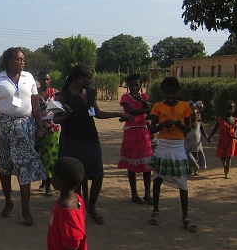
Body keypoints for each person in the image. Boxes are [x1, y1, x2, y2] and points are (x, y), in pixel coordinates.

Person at [55, 64, 129, 225]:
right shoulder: (64, 96)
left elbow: (98, 113)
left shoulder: (89, 93)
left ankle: (91, 208)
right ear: (79, 79)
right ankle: (78, 210)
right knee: (75, 178)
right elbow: (56, 119)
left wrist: (118, 114)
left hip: (90, 139)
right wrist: (67, 116)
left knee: (97, 175)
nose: (90, 81)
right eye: (89, 78)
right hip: (72, 141)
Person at [0, 47, 46, 225]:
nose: (22, 62)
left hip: (25, 127)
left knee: (24, 166)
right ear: (9, 61)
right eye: (18, 59)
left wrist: (39, 127)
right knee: (4, 166)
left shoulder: (29, 77)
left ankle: (26, 210)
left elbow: (35, 105)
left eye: (23, 59)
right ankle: (8, 202)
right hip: (2, 127)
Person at [147, 76, 196, 232]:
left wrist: (180, 125)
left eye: (172, 93)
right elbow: (151, 129)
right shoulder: (158, 106)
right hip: (163, 147)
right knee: (157, 179)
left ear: (177, 92)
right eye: (167, 93)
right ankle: (155, 210)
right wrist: (162, 124)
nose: (169, 96)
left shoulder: (185, 106)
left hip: (178, 148)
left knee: (182, 183)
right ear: (163, 92)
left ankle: (185, 216)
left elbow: (189, 128)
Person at [117, 73, 153, 204]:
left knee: (147, 165)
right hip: (131, 132)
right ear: (128, 85)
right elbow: (132, 111)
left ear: (140, 85)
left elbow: (148, 110)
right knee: (131, 165)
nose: (134, 88)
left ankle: (147, 194)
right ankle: (134, 194)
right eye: (131, 85)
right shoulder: (125, 97)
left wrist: (143, 102)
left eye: (136, 85)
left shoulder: (144, 96)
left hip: (143, 131)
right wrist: (146, 108)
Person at [37, 71, 61, 197]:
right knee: (41, 156)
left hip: (53, 128)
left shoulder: (55, 93)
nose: (45, 82)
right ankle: (43, 180)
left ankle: (48, 186)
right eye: (43, 79)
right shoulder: (34, 94)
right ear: (38, 80)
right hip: (38, 128)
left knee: (51, 157)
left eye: (47, 79)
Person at [207, 100, 237, 179]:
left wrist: (235, 135)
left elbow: (235, 129)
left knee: (229, 156)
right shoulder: (220, 119)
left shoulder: (235, 120)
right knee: (222, 156)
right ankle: (225, 167)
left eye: (230, 108)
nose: (228, 110)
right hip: (222, 140)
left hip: (231, 140)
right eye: (227, 108)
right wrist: (210, 136)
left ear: (234, 110)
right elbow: (215, 128)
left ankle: (227, 172)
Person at [185, 102, 207, 176]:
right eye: (191, 115)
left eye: (194, 115)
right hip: (188, 145)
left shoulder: (200, 125)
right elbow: (184, 134)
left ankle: (196, 170)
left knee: (197, 158)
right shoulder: (187, 125)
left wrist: (208, 138)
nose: (193, 117)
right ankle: (190, 169)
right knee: (189, 158)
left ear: (198, 116)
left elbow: (203, 133)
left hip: (197, 145)